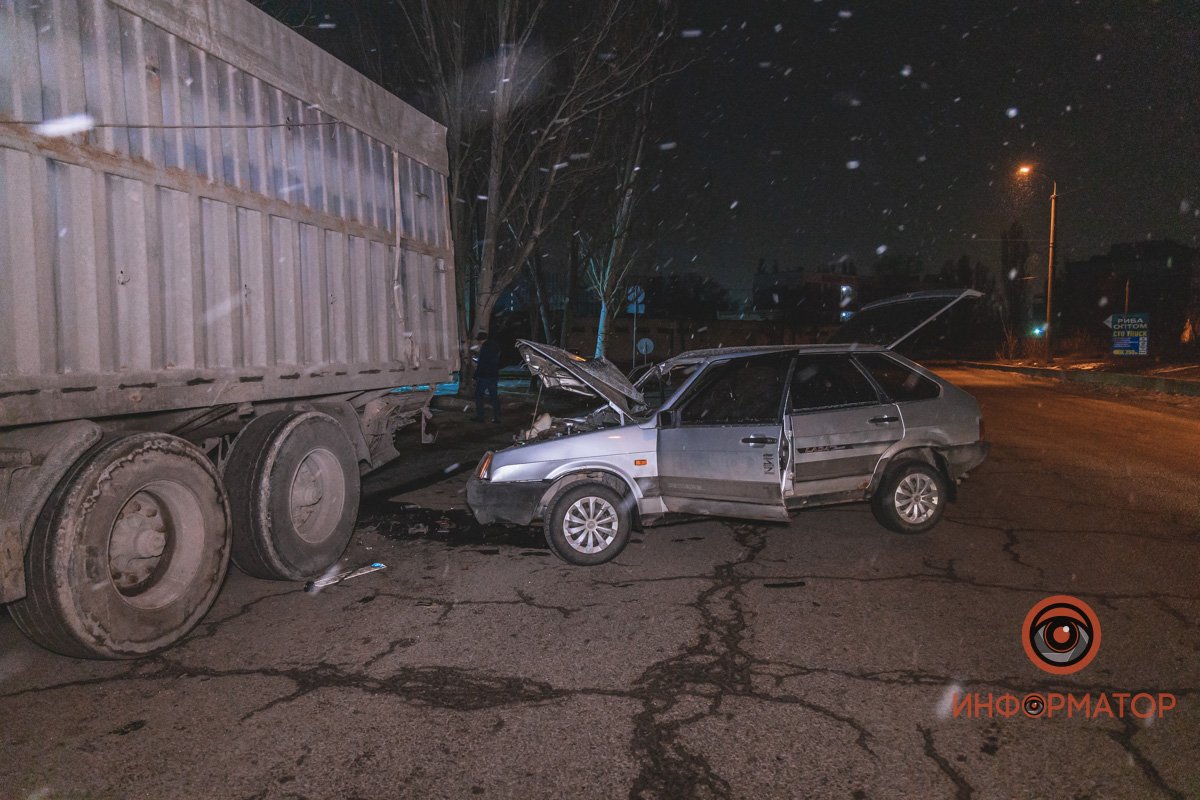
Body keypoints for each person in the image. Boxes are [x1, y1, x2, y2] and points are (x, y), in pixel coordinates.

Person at [473, 331, 502, 423]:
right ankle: (497, 417)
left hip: (484, 375)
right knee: (494, 397)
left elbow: (482, 362)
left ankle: (480, 417)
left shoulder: (484, 347)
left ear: (481, 340)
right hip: (493, 375)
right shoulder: (495, 346)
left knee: (479, 396)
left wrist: (476, 375)